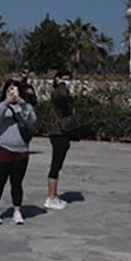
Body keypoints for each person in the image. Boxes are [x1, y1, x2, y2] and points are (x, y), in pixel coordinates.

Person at [0, 80, 36, 225]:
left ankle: (17, 210)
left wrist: (23, 104)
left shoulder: (25, 106)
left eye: (15, 89)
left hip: (21, 150)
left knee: (17, 183)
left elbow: (32, 120)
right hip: (3, 148)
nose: (12, 92)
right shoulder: (1, 105)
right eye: (10, 89)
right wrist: (6, 102)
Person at [45, 71, 76, 210]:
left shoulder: (61, 93)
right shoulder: (58, 92)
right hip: (58, 132)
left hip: (63, 132)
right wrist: (62, 84)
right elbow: (62, 95)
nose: (67, 82)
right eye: (64, 79)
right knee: (55, 165)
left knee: (58, 165)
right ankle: (51, 197)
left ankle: (54, 195)